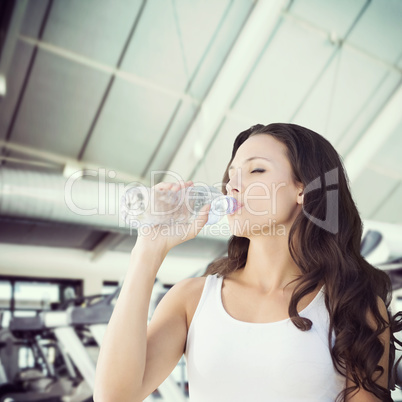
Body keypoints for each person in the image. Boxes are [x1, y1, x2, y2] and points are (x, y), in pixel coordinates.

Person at [94, 123, 402, 402]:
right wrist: (148, 251)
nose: (232, 184)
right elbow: (113, 397)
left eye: (256, 171)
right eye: (231, 174)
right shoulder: (191, 299)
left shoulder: (353, 306)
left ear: (303, 190)